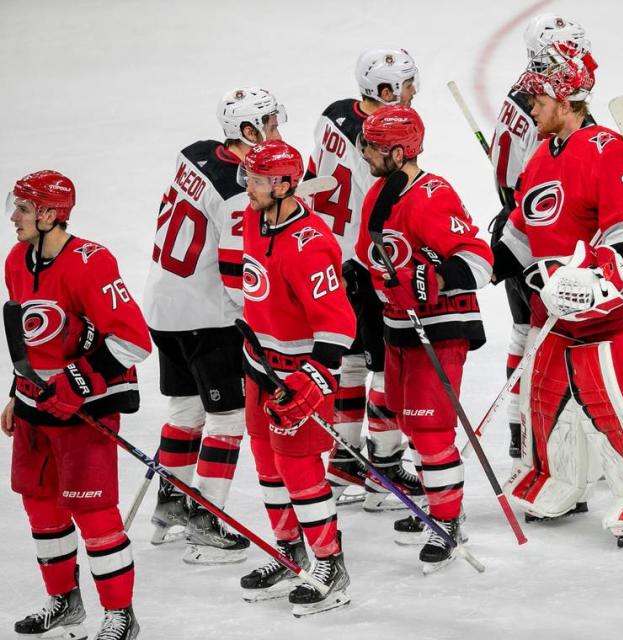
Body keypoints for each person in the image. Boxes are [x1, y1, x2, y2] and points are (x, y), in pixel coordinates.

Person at [492, 41, 623, 547]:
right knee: (543, 399)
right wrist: (474, 266)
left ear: (567, 101)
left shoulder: (608, 151)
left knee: (616, 407)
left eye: (540, 100)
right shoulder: (541, 156)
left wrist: (598, 278)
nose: (532, 108)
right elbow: (523, 232)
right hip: (557, 316)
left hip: (616, 316)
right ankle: (558, 486)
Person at [4, 170, 151, 639]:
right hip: (34, 409)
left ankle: (120, 615)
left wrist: (74, 382)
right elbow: (30, 336)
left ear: (49, 214)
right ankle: (65, 602)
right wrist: (15, 390)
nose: (14, 217)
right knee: (42, 507)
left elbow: (133, 341)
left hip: (83, 409)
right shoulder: (15, 260)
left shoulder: (91, 261)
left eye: (23, 209)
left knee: (93, 512)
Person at [143, 86, 286, 562]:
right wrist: (258, 320)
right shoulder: (238, 194)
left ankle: (170, 506)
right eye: (268, 124)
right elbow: (235, 273)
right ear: (248, 131)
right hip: (207, 317)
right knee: (226, 417)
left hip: (163, 305)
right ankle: (206, 520)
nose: (276, 132)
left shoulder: (197, 154)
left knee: (185, 412)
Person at [353, 105, 493, 571]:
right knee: (408, 421)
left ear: (397, 151)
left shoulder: (432, 194)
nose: (364, 152)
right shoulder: (378, 190)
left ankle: (448, 522)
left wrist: (431, 276)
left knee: (430, 430)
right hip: (397, 326)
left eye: (372, 146)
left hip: (440, 325)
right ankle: (438, 502)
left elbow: (478, 258)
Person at [236, 140, 355, 614]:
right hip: (258, 367)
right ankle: (290, 553)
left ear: (285, 185)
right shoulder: (252, 218)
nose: (250, 188)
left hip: (297, 376)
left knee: (300, 471)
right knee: (267, 466)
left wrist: (313, 380)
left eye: (260, 180)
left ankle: (331, 563)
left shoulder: (311, 244)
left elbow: (339, 324)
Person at [304, 48, 423, 510]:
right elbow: (389, 195)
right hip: (363, 259)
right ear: (387, 91)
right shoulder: (379, 137)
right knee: (386, 361)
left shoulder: (333, 115)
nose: (415, 91)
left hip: (328, 254)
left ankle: (344, 459)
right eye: (408, 84)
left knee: (352, 360)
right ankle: (384, 470)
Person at [488, 13, 591, 475]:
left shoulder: (521, 94)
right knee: (550, 332)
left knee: (524, 329)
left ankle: (518, 426)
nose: (579, 57)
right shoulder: (548, 104)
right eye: (569, 49)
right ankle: (545, 427)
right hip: (538, 232)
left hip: (513, 219)